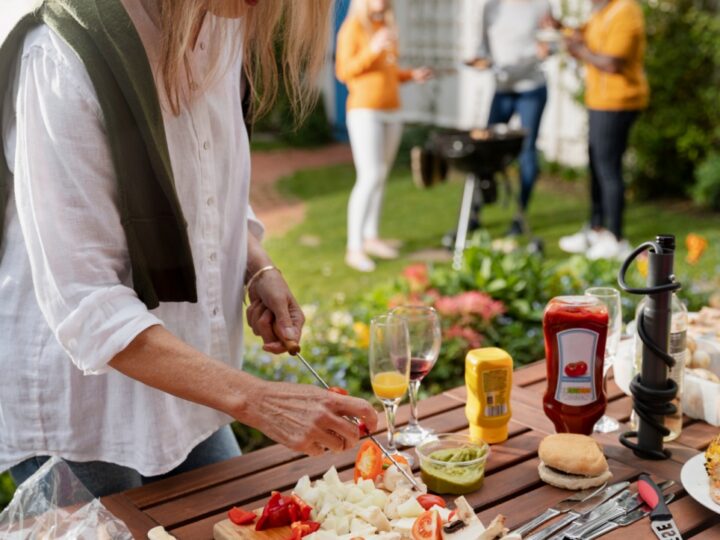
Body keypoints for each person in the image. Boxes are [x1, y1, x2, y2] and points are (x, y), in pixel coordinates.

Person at [0, 0, 377, 498]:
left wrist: (258, 267)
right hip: (82, 409)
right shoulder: (60, 53)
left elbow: (207, 190)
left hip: (187, 388)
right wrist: (259, 401)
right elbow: (87, 301)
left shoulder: (222, 25)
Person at [336, 0, 432, 273]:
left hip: (392, 111)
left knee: (381, 175)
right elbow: (344, 71)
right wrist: (372, 48)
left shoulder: (386, 25)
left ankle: (371, 237)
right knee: (369, 176)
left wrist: (411, 75)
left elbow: (386, 73)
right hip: (365, 111)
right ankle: (354, 248)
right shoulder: (352, 28)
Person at [556, 0, 649, 259]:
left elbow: (612, 63)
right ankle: (596, 229)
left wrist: (579, 50)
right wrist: (562, 28)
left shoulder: (626, 11)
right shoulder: (602, 11)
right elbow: (581, 36)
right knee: (596, 166)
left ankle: (615, 237)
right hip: (599, 101)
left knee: (608, 168)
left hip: (618, 102)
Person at [468, 0, 551, 236]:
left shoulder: (540, 5)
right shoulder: (491, 6)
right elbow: (483, 47)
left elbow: (550, 42)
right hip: (502, 89)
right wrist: (480, 60)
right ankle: (474, 213)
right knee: (484, 148)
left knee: (527, 152)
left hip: (531, 89)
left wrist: (545, 51)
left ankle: (519, 217)